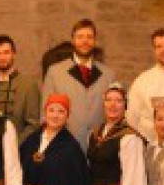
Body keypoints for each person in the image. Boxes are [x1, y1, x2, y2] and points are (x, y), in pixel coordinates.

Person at [20, 94, 93, 185]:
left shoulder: (72, 148)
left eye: (61, 111)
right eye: (51, 110)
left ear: (67, 116)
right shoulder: (31, 141)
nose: (55, 115)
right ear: (45, 112)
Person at [41, 19, 117, 148]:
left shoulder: (109, 75)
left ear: (94, 41)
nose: (85, 41)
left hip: (99, 146)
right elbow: (45, 114)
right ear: (73, 40)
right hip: (64, 144)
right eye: (80, 37)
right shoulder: (55, 72)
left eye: (89, 37)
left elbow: (114, 112)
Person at [86, 82, 147, 185]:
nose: (113, 105)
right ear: (103, 104)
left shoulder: (129, 137)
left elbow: (133, 176)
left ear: (125, 106)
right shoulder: (94, 134)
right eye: (108, 100)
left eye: (118, 101)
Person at [0, 35, 41, 142]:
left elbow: (33, 124)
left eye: (6, 52)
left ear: (14, 54)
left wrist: (14, 145)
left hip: (19, 146)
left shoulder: (28, 85)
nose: (2, 57)